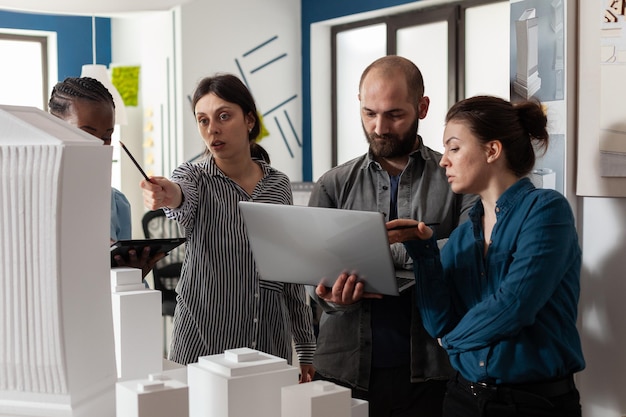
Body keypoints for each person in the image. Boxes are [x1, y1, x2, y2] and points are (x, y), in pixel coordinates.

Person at [388, 95, 585, 416]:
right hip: (463, 398)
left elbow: (514, 306)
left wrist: (452, 342)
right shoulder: (466, 233)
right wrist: (423, 250)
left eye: (454, 148)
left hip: (535, 404)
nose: (443, 161)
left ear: (492, 150)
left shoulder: (547, 210)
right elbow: (438, 322)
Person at [308, 55, 476, 416]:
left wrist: (383, 252)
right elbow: (314, 276)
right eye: (369, 113)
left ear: (422, 107)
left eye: (394, 115)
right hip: (343, 370)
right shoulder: (333, 184)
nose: (380, 127)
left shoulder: (458, 181)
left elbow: (469, 255)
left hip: (433, 371)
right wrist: (335, 297)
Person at [139, 73, 316, 382]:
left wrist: (306, 346)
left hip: (267, 343)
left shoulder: (278, 186)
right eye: (203, 120)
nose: (213, 129)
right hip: (202, 343)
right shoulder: (194, 177)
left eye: (223, 116)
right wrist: (169, 194)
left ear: (249, 120)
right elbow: (181, 195)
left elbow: (291, 272)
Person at [49, 76, 163, 278]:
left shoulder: (117, 204)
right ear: (54, 129)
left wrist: (132, 276)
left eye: (106, 137)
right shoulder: (31, 199)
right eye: (87, 135)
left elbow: (117, 289)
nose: (100, 146)